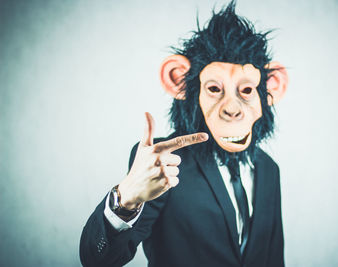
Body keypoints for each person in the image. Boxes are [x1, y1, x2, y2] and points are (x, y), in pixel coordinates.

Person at [80, 2, 288, 266]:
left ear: (271, 88)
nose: (233, 108)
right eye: (215, 88)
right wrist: (127, 197)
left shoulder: (269, 169)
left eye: (246, 91)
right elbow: (97, 260)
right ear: (178, 81)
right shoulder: (163, 162)